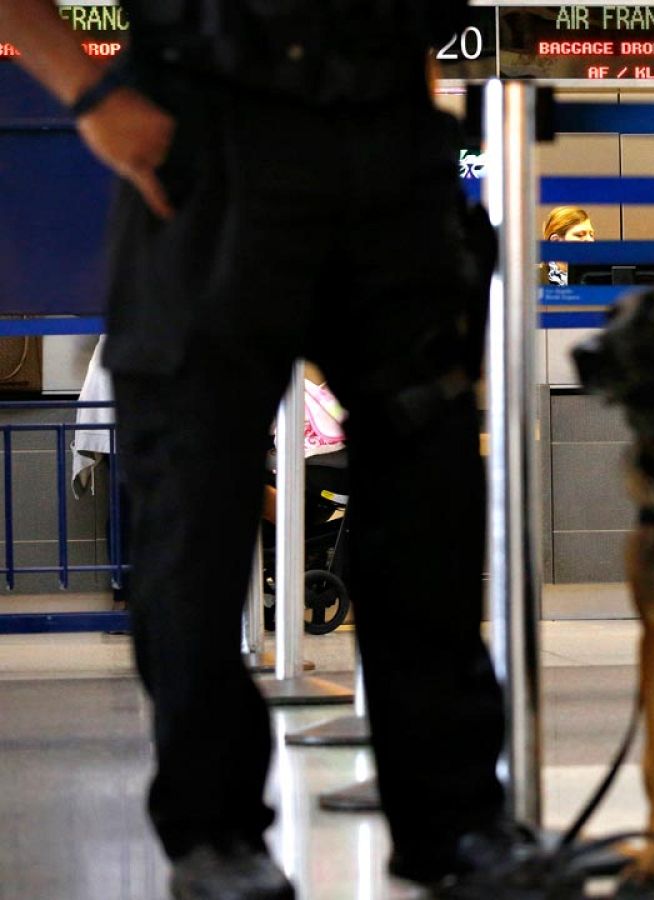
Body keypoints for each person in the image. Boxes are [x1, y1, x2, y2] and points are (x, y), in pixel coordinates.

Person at [0, 2, 535, 898]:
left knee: (429, 502)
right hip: (207, 134)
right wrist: (90, 95)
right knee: (195, 513)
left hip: (389, 141)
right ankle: (215, 836)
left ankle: (455, 824)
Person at [541, 205, 595, 285]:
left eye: (591, 235)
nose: (590, 240)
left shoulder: (598, 277)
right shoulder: (532, 277)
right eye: (580, 235)